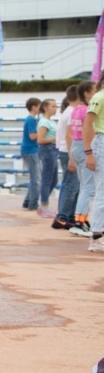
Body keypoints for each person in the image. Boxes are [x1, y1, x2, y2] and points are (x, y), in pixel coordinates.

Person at [70, 81, 96, 237]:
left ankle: (82, 219)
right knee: (88, 188)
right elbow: (89, 130)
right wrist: (90, 152)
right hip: (84, 146)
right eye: (94, 90)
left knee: (84, 186)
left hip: (76, 146)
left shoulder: (76, 109)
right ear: (87, 94)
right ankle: (79, 222)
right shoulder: (87, 110)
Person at [81, 78, 104, 252]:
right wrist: (88, 152)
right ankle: (96, 236)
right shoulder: (99, 97)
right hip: (101, 142)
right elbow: (87, 124)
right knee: (102, 191)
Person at [52, 87, 79, 231]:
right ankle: (62, 216)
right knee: (71, 185)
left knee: (72, 185)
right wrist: (71, 157)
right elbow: (69, 136)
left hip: (65, 150)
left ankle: (68, 216)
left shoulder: (69, 111)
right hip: (67, 151)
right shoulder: (71, 112)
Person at [36, 98, 58, 219]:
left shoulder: (51, 121)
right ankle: (44, 206)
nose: (55, 109)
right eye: (53, 106)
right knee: (47, 179)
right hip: (47, 150)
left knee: (53, 180)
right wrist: (56, 139)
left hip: (53, 150)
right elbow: (40, 139)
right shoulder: (44, 122)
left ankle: (43, 203)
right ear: (45, 108)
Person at [20, 98, 41, 211]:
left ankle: (28, 200)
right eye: (39, 106)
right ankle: (33, 202)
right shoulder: (31, 120)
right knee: (35, 178)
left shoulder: (30, 119)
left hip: (29, 150)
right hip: (31, 150)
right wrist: (43, 132)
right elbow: (32, 136)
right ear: (34, 107)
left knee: (34, 177)